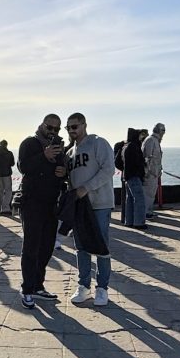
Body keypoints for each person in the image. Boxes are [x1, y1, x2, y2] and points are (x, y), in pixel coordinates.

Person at [64, 113, 116, 306]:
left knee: (101, 246)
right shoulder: (70, 153)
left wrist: (87, 187)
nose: (72, 130)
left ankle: (102, 288)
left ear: (84, 125)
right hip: (80, 207)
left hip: (100, 203)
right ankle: (84, 286)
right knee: (81, 247)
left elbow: (108, 169)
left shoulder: (98, 143)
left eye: (75, 126)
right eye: (68, 127)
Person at [16, 114, 67, 309]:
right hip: (32, 203)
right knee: (31, 247)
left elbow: (62, 169)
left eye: (56, 129)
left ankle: (38, 285)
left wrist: (64, 172)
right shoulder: (30, 143)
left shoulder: (59, 147)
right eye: (50, 127)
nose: (52, 131)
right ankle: (27, 289)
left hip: (51, 204)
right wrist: (43, 156)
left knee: (46, 247)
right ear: (42, 125)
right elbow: (23, 167)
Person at [121, 128, 147, 229]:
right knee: (139, 199)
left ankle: (129, 221)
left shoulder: (125, 146)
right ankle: (139, 222)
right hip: (134, 176)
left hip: (127, 176)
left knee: (130, 200)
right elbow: (138, 162)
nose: (141, 137)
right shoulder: (134, 146)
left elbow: (119, 162)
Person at [142, 122, 165, 218]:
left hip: (154, 173)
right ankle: (146, 212)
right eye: (163, 130)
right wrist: (148, 171)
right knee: (147, 194)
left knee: (151, 194)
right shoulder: (151, 140)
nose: (164, 133)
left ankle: (149, 211)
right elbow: (147, 157)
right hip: (150, 173)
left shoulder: (155, 140)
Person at [0, 140, 15, 215]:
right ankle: (5, 207)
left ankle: (1, 206)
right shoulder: (9, 153)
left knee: (1, 191)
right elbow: (12, 163)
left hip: (0, 174)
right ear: (6, 145)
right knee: (8, 190)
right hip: (7, 173)